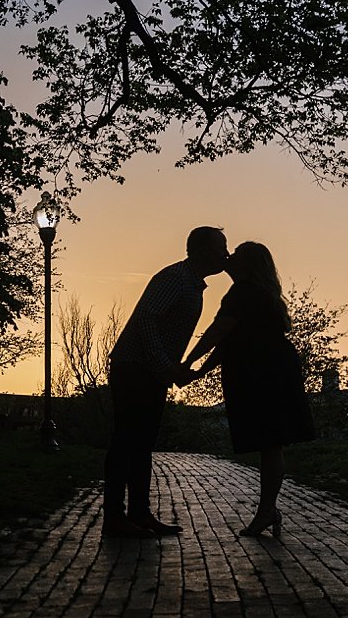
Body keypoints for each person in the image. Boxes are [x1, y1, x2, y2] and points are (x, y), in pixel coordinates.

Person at [180, 241, 315, 537]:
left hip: (262, 372)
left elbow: (219, 333)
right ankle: (268, 510)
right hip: (269, 369)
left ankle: (267, 511)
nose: (229, 256)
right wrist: (198, 370)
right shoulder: (259, 294)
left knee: (270, 441)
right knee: (271, 442)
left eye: (237, 254)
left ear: (247, 264)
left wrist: (188, 361)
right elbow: (228, 342)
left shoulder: (242, 294)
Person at [103, 226, 230, 538]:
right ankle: (115, 517)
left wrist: (172, 368)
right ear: (201, 250)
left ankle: (139, 513)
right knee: (126, 440)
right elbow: (146, 318)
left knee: (142, 443)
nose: (226, 254)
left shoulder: (192, 283)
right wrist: (165, 365)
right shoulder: (175, 278)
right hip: (135, 368)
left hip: (151, 371)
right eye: (221, 247)